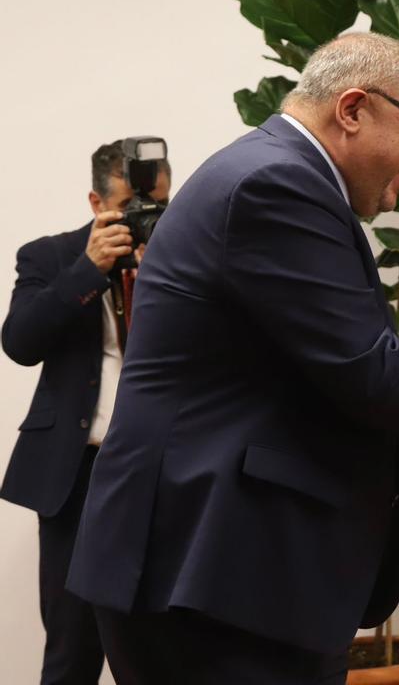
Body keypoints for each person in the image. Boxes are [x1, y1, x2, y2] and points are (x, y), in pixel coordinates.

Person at [65, 32, 399, 684]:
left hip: (230, 574)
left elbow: (304, 380)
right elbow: (364, 367)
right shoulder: (274, 182)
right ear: (353, 109)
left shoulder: (278, 175)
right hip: (207, 577)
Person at [0, 142, 170, 685]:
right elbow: (20, 342)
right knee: (72, 647)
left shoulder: (183, 256)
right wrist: (88, 269)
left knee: (157, 645)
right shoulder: (48, 257)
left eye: (159, 205)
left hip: (160, 473)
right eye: (130, 206)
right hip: (76, 472)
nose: (145, 217)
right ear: (97, 202)